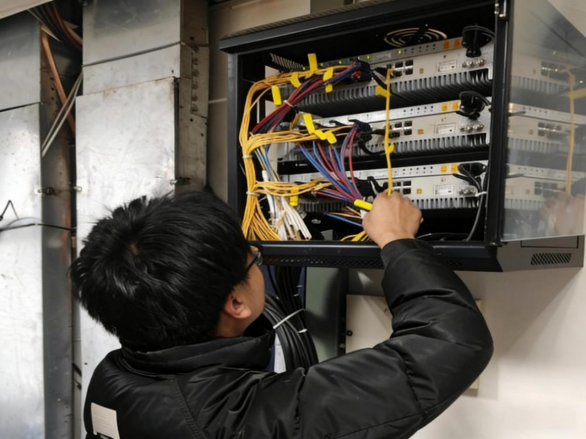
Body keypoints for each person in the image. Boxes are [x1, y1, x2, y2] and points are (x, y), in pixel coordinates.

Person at [71, 190, 493, 439]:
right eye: (250, 258)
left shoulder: (113, 379)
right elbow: (450, 342)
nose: (257, 255)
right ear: (235, 303)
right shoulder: (236, 419)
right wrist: (396, 239)